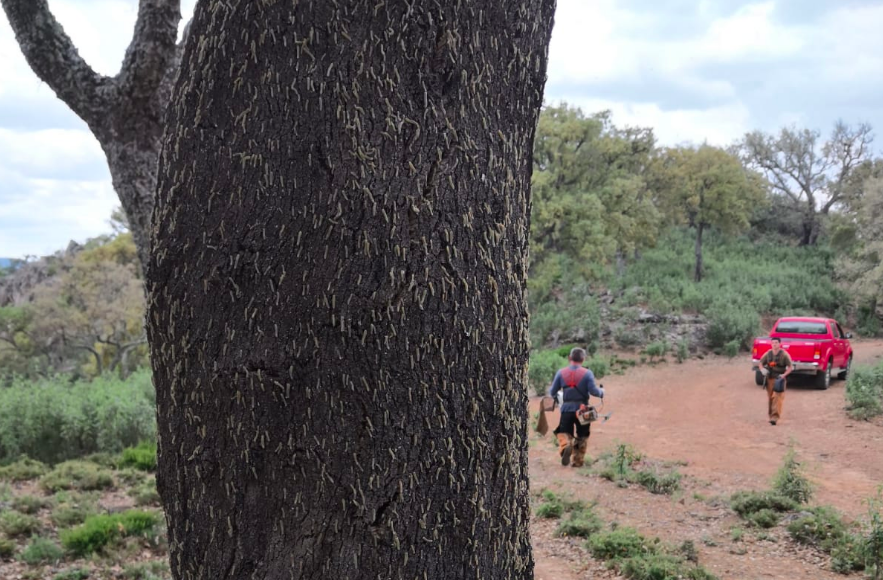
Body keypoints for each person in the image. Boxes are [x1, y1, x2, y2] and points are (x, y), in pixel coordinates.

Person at [549, 347, 604, 467]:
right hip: (583, 410)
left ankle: (566, 446)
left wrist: (558, 398)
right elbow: (594, 391)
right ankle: (577, 462)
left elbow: (552, 391)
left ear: (570, 358)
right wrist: (601, 392)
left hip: (566, 409)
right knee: (582, 436)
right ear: (583, 359)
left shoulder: (561, 373)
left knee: (564, 433)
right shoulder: (587, 373)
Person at [758, 338, 792, 425]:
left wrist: (784, 375)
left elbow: (790, 367)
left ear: (780, 344)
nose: (774, 344)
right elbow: (760, 363)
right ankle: (771, 416)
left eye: (776, 342)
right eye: (773, 343)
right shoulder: (768, 354)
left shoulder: (784, 355)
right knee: (770, 397)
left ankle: (775, 417)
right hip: (770, 378)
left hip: (779, 379)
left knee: (777, 397)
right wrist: (762, 370)